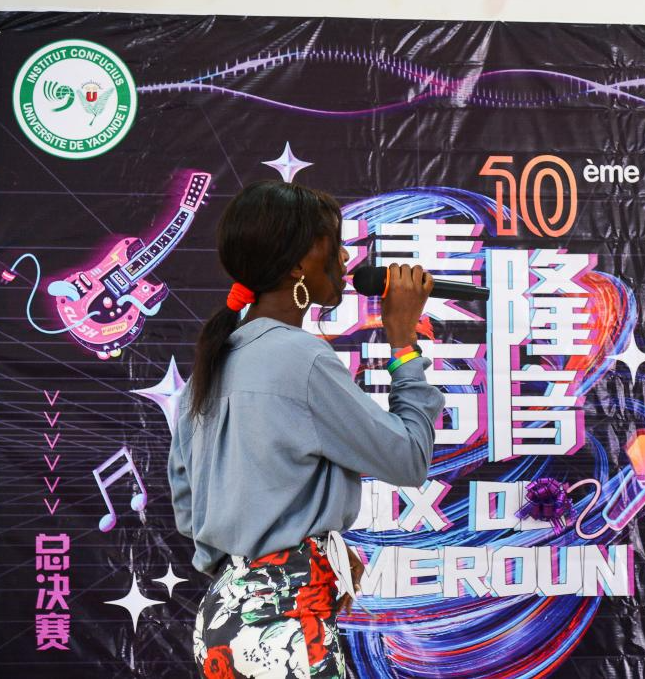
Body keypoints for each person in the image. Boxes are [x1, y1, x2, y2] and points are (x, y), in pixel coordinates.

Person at [166, 180, 445, 678]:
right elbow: (408, 459)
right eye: (333, 245)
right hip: (284, 624)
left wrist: (310, 550)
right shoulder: (302, 358)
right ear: (298, 264)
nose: (345, 259)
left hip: (223, 623)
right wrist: (403, 344)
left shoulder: (207, 369)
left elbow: (190, 512)